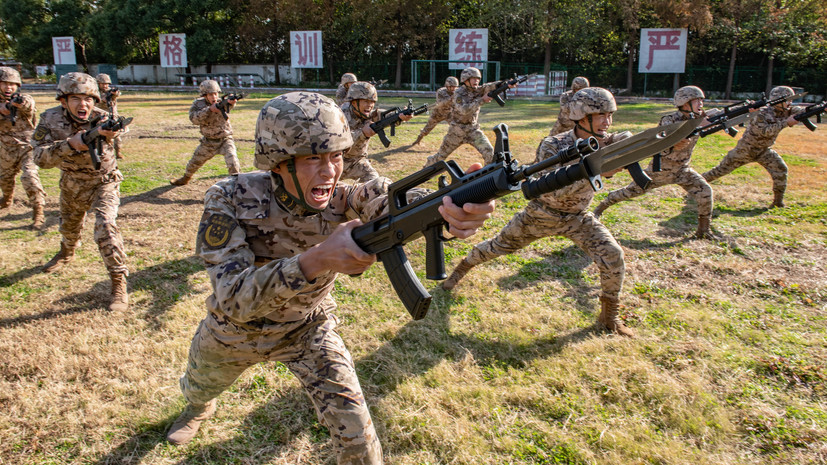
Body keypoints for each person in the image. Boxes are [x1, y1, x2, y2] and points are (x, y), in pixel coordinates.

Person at [165, 92, 496, 464]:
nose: (329, 171)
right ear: (278, 163)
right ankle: (197, 408)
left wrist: (450, 206)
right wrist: (317, 259)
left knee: (358, 437)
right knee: (199, 386)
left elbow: (394, 202)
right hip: (232, 332)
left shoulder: (345, 197)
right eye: (312, 158)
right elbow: (233, 296)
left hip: (307, 328)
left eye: (336, 155)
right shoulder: (230, 196)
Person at [442, 87, 634, 338]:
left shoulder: (606, 142)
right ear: (582, 117)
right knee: (497, 246)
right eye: (601, 116)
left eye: (610, 116)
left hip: (578, 218)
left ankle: (609, 317)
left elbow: (642, 146)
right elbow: (550, 192)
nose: (607, 122)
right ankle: (460, 271)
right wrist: (596, 173)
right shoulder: (553, 145)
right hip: (541, 215)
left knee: (612, 255)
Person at [31, 72, 128, 311]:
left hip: (105, 181)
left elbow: (118, 131)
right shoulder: (49, 119)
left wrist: (110, 134)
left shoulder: (103, 117)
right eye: (75, 98)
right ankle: (67, 251)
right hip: (72, 183)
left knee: (106, 227)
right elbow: (39, 158)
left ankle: (119, 282)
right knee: (69, 227)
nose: (83, 104)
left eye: (88, 99)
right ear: (63, 100)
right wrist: (69, 145)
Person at [592, 86, 719, 239]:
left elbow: (719, 116)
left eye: (701, 100)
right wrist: (673, 144)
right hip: (658, 172)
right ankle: (600, 208)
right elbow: (657, 144)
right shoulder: (670, 120)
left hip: (682, 170)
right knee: (627, 193)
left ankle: (703, 231)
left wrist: (746, 111)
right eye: (696, 100)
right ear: (685, 103)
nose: (701, 104)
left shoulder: (699, 118)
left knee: (705, 191)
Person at [702, 85, 803, 208]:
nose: (790, 103)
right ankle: (696, 185)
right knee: (719, 171)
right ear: (779, 100)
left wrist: (820, 109)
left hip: (763, 151)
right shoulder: (762, 112)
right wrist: (786, 123)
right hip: (745, 150)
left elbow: (801, 111)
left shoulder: (786, 110)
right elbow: (764, 131)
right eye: (788, 100)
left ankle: (778, 202)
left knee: (780, 169)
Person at [424, 67, 514, 167]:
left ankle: (487, 178)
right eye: (473, 78)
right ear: (465, 80)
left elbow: (490, 86)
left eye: (478, 78)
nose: (476, 81)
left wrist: (505, 84)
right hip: (456, 131)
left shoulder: (479, 90)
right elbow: (464, 110)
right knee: (440, 158)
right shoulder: (458, 93)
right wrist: (482, 100)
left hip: (473, 130)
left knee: (489, 153)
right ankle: (425, 169)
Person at [170, 79, 241, 185]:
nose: (214, 97)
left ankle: (236, 185)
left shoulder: (221, 102)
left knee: (233, 162)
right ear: (204, 95)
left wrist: (231, 102)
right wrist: (209, 110)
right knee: (195, 162)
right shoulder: (198, 105)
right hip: (209, 141)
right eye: (211, 94)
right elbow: (194, 119)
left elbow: (228, 106)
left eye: (215, 94)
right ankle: (185, 178)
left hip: (225, 139)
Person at [0, 66, 46, 229]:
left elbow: (28, 105)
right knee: (5, 180)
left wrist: (18, 105)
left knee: (30, 178)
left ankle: (38, 212)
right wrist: (5, 109)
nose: (8, 87)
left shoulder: (24, 98)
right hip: (5, 150)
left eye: (12, 84)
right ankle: (7, 199)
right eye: (4, 83)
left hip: (27, 148)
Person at [339, 81, 412, 182]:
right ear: (354, 102)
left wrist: (399, 117)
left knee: (375, 184)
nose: (370, 105)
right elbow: (339, 141)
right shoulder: (339, 115)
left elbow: (380, 116)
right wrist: (362, 133)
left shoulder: (367, 113)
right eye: (366, 101)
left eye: (372, 101)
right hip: (337, 162)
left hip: (357, 162)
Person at [412, 76, 458, 146]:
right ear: (447, 86)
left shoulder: (457, 93)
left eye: (455, 87)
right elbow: (441, 103)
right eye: (452, 87)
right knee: (427, 129)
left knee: (456, 127)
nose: (454, 89)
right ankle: (418, 139)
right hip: (437, 114)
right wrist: (452, 98)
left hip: (449, 114)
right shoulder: (441, 92)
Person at [95, 73, 125, 159]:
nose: (105, 86)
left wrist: (114, 93)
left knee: (117, 137)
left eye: (107, 84)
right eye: (103, 83)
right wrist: (102, 100)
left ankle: (118, 153)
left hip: (113, 116)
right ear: (98, 83)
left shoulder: (110, 91)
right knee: (103, 138)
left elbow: (117, 94)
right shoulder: (95, 92)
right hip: (100, 117)